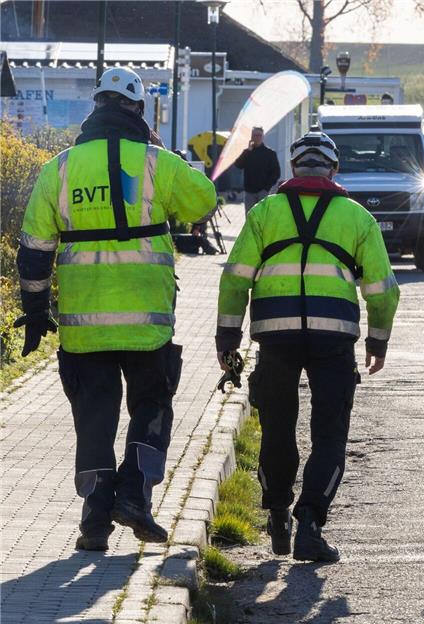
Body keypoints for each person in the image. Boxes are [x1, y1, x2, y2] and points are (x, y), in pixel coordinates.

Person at [15, 67, 217, 551]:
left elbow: (34, 250)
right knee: (152, 405)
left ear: (95, 108)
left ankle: (93, 523)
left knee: (94, 418)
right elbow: (204, 203)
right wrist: (164, 153)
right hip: (147, 321)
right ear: (138, 110)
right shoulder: (155, 162)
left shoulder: (59, 168)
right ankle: (134, 492)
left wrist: (37, 310)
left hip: (83, 325)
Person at [216, 128, 400, 563]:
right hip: (334, 338)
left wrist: (227, 337)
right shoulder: (357, 217)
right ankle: (311, 526)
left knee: (278, 428)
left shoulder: (265, 212)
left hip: (274, 336)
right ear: (334, 170)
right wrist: (378, 339)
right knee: (330, 435)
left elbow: (235, 277)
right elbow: (383, 289)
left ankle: (277, 513)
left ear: (294, 168)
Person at [235, 126, 281, 213]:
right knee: (250, 217)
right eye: (255, 135)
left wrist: (267, 188)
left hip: (263, 191)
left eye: (259, 135)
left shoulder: (270, 153)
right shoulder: (247, 152)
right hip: (249, 192)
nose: (257, 137)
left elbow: (276, 173)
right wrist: (247, 151)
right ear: (251, 137)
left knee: (263, 217)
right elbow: (238, 165)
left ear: (263, 137)